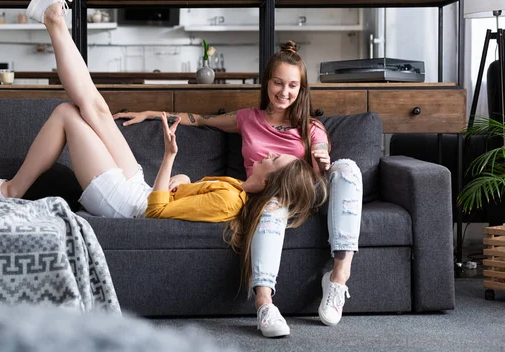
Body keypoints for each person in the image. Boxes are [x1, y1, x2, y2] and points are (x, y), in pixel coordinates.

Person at [0, 0, 324, 240]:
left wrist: (169, 159)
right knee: (96, 108)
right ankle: (52, 16)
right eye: (278, 83)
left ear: (267, 182)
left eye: (273, 160)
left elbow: (155, 215)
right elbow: (192, 146)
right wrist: (173, 160)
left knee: (67, 113)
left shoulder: (234, 199)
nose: (270, 154)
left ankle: (11, 190)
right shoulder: (234, 185)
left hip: (129, 206)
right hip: (137, 188)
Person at [114, 41, 363, 336]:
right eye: (278, 83)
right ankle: (264, 303)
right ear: (267, 83)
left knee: (347, 167)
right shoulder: (248, 119)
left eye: (293, 86)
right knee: (271, 207)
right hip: (270, 197)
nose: (285, 92)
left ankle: (338, 278)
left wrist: (321, 159)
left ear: (301, 89)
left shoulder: (311, 127)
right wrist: (153, 114)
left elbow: (321, 150)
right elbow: (198, 119)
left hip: (307, 192)